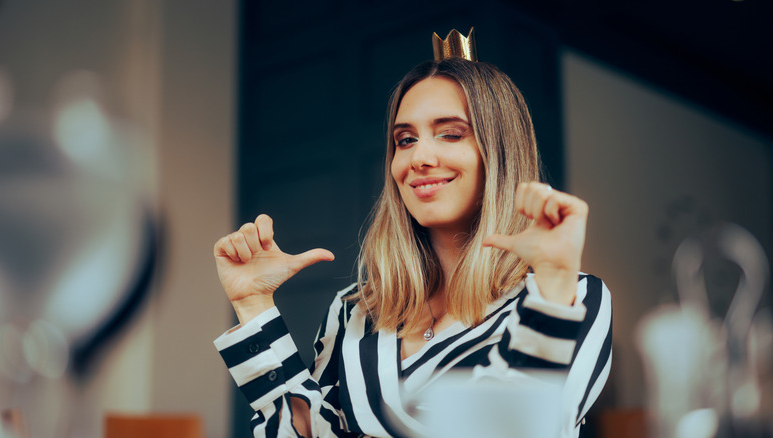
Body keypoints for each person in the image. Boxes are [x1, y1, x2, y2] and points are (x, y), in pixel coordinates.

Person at [212, 30, 612, 438]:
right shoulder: (355, 311)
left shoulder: (568, 299)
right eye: (405, 140)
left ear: (500, 152)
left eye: (451, 133)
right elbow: (303, 433)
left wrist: (554, 284)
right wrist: (254, 306)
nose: (419, 158)